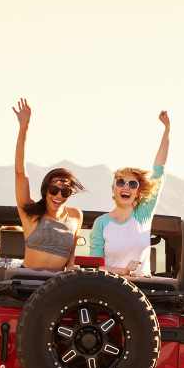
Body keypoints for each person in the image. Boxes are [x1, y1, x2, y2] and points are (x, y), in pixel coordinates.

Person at [90, 111, 171, 277]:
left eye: (132, 184)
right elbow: (96, 267)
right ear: (113, 188)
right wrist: (123, 271)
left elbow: (159, 170)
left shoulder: (143, 215)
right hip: (109, 289)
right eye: (121, 182)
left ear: (138, 192)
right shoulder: (101, 223)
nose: (126, 187)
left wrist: (167, 130)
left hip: (142, 291)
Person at [12, 98, 85, 271]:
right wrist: (24, 128)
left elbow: (71, 259)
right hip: (26, 285)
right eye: (54, 189)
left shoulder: (76, 216)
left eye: (65, 192)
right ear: (46, 190)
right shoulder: (30, 213)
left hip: (57, 289)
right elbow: (20, 173)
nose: (59, 195)